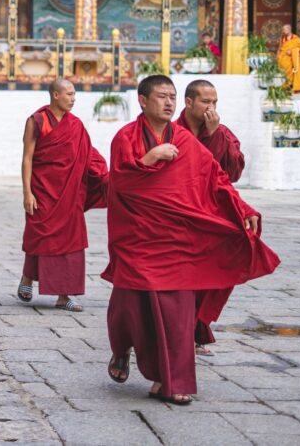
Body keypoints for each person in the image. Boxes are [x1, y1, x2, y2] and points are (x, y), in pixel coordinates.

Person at [104, 75, 280, 405]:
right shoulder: (125, 137)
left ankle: (169, 381)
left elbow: (215, 177)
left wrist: (243, 207)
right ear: (143, 101)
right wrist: (150, 159)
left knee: (177, 309)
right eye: (162, 96)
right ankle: (122, 348)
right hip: (138, 236)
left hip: (177, 239)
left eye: (172, 96)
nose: (169, 102)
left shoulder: (184, 139)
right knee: (129, 306)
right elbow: (119, 182)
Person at [17, 78, 109, 312]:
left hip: (69, 193)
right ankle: (28, 277)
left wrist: (104, 175)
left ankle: (64, 295)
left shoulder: (75, 125)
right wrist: (27, 192)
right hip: (43, 190)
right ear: (56, 95)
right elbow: (27, 158)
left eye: (74, 94)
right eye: (69, 94)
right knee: (40, 235)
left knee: (70, 241)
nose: (73, 98)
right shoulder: (36, 121)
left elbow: (87, 153)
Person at [176, 79, 246, 356]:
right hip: (179, 212)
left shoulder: (222, 133)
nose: (211, 108)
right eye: (206, 101)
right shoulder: (171, 131)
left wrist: (216, 135)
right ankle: (178, 332)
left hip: (212, 213)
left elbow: (232, 173)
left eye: (214, 102)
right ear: (189, 102)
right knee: (180, 276)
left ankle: (197, 329)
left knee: (212, 273)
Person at [277, 24, 300, 92]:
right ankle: (287, 85)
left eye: (284, 29)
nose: (283, 31)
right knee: (285, 72)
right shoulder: (282, 39)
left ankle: (297, 87)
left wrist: (292, 51)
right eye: (283, 29)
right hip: (285, 59)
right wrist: (278, 56)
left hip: (295, 59)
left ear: (289, 29)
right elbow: (280, 48)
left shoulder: (296, 39)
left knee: (296, 71)